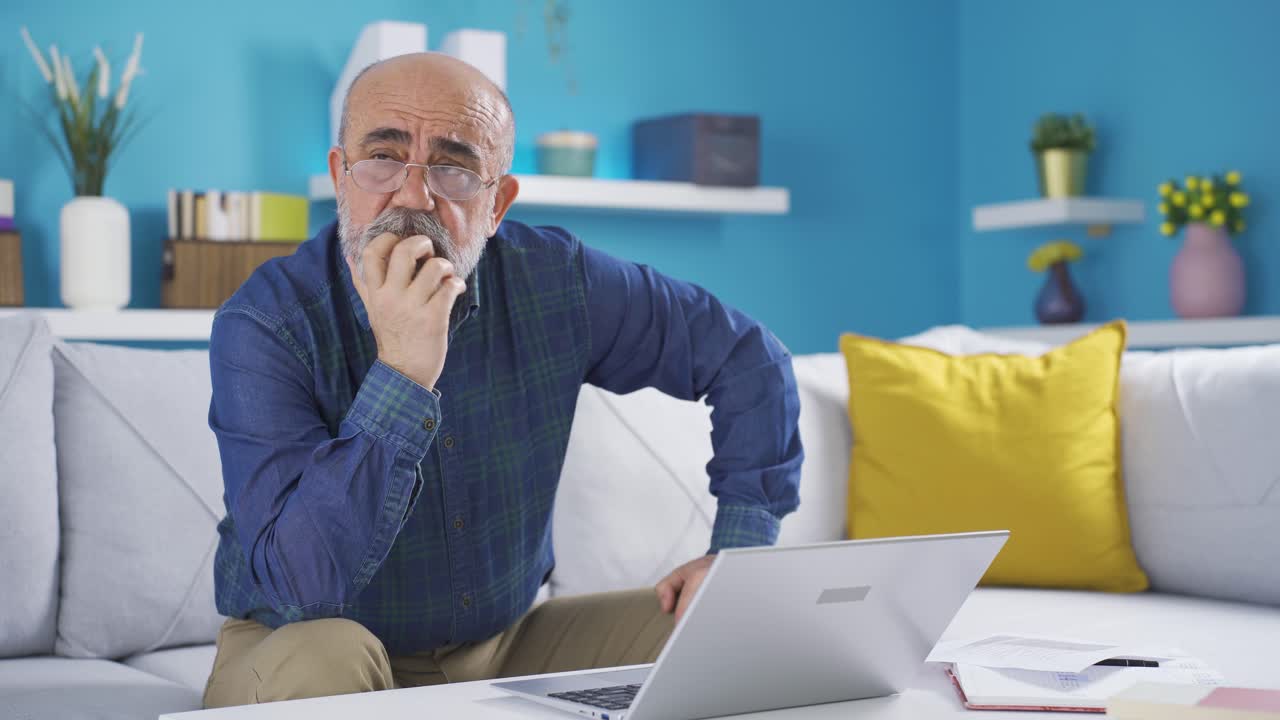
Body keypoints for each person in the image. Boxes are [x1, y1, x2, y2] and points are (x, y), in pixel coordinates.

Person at [202, 52, 802, 708]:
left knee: (735, 634)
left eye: (454, 167)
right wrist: (402, 373)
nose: (413, 196)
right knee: (327, 650)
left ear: (497, 203)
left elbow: (750, 358)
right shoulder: (267, 321)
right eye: (382, 156)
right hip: (300, 649)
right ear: (341, 175)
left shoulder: (557, 280)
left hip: (505, 648)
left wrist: (737, 557)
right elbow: (302, 587)